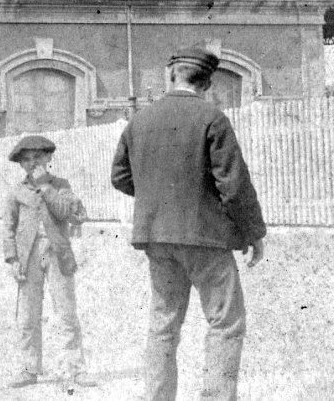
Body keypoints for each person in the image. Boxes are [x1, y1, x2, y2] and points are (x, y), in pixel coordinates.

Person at [111, 46, 267, 401]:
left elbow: (120, 177)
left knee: (163, 324)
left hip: (157, 240)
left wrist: (158, 197)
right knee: (225, 324)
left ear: (171, 76)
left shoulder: (140, 121)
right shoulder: (213, 119)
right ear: (208, 82)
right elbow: (234, 185)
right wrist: (253, 233)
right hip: (207, 238)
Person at [3, 136, 95, 390]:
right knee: (27, 316)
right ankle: (28, 369)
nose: (33, 163)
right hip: (28, 257)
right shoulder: (16, 191)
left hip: (57, 253)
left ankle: (76, 370)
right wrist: (12, 259)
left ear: (48, 159)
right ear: (20, 164)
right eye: (27, 159)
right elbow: (8, 228)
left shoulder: (61, 185)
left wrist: (47, 188)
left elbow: (70, 214)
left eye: (38, 158)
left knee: (66, 313)